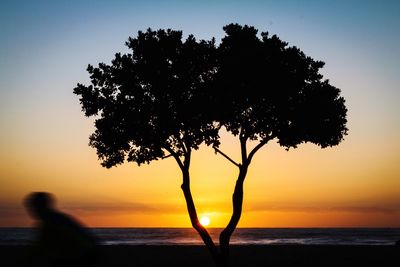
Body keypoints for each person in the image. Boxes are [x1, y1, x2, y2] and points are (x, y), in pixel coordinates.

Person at [24, 192, 97, 267]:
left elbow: (39, 248)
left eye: (32, 207)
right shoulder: (58, 219)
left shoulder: (52, 222)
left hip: (83, 257)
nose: (30, 210)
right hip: (85, 254)